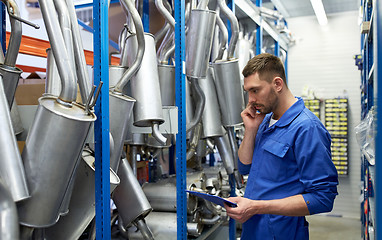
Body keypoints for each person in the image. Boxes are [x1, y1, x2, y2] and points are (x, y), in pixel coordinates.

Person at [224, 53, 339, 239]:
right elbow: (245, 166)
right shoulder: (265, 119)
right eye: (248, 92)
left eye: (255, 90)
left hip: (282, 232)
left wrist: (256, 206)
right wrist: (251, 130)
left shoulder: (307, 128)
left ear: (277, 84)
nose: (250, 99)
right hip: (253, 230)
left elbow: (323, 198)